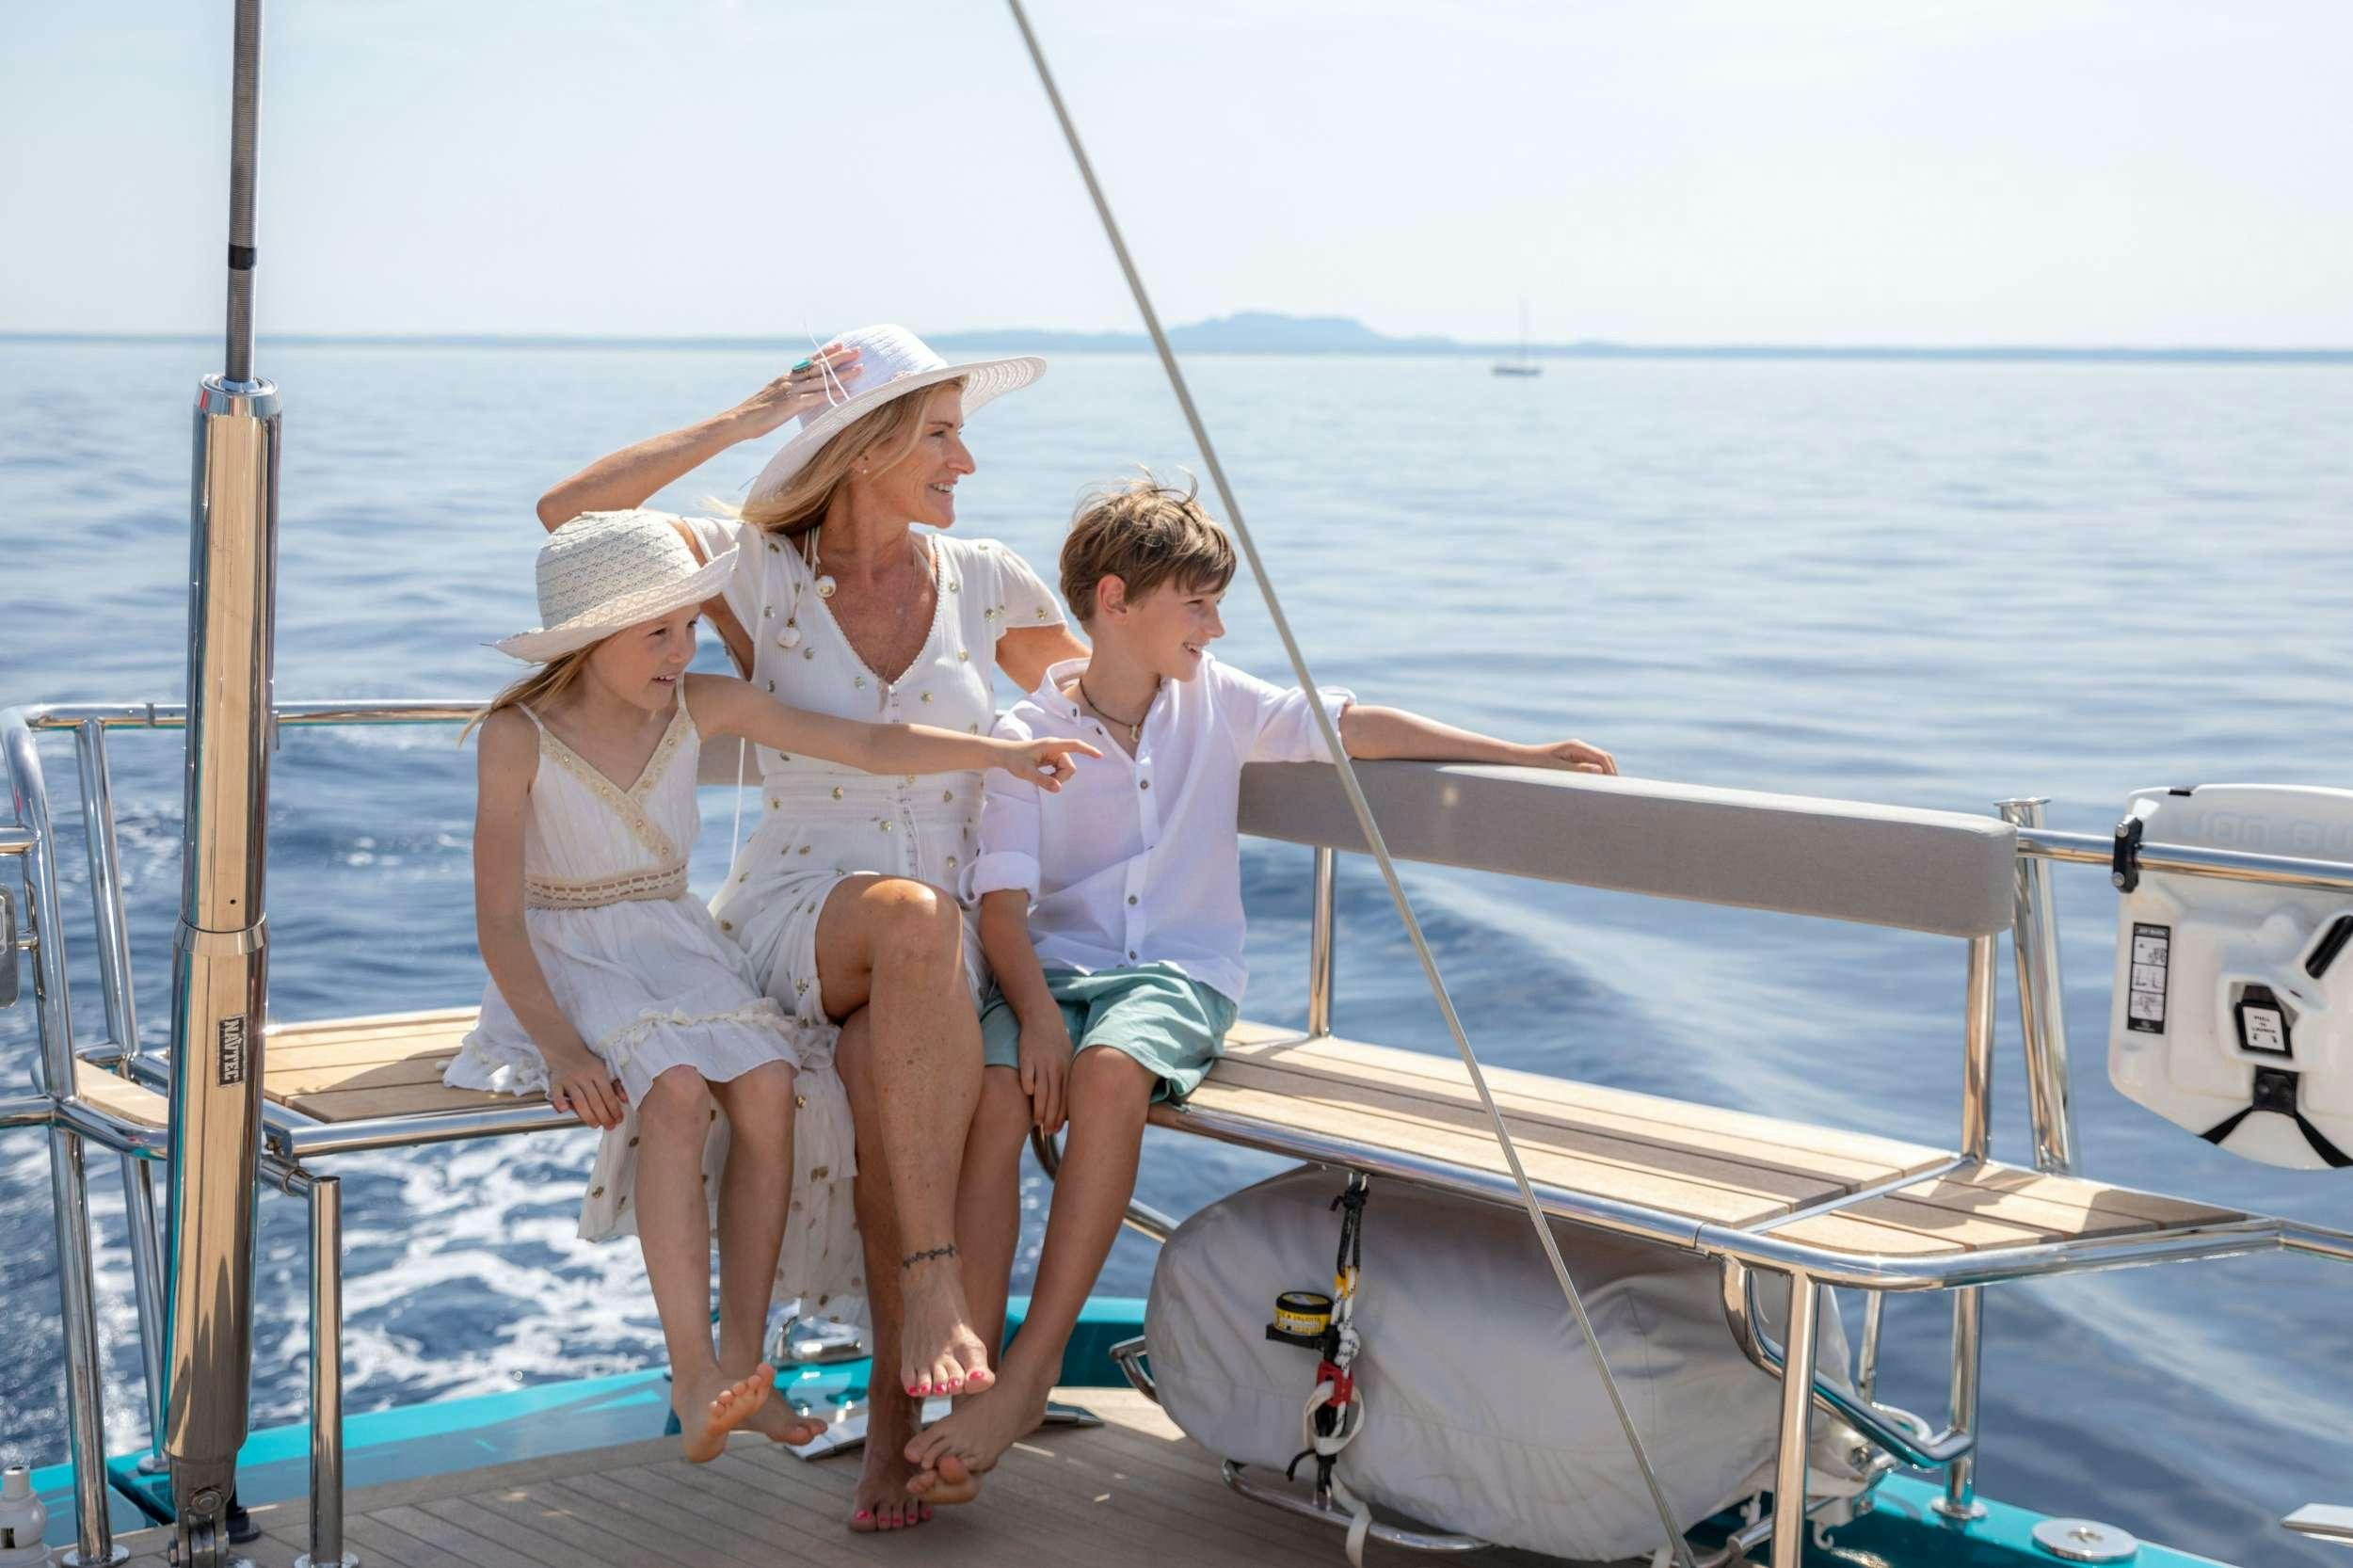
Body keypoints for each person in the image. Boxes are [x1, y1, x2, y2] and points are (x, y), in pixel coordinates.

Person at [905, 474, 1619, 1488]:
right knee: (987, 1093)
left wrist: (1518, 752)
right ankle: (964, 1386)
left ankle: (1027, 1369)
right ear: (1116, 600)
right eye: (1194, 602)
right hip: (1049, 977)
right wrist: (1033, 1017)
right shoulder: (1025, 738)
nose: (1216, 623)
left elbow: (1349, 725)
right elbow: (1004, 912)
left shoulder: (1219, 702)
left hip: (1179, 977)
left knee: (1110, 1072)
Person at [531, 324, 1090, 1528]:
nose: (965, 464)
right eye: (940, 435)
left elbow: (1106, 691)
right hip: (802, 913)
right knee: (907, 922)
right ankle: (935, 1292)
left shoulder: (985, 575)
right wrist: (746, 420)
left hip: (934, 947)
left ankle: (900, 1432)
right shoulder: (755, 568)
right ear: (866, 446)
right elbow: (568, 517)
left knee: (922, 1070)